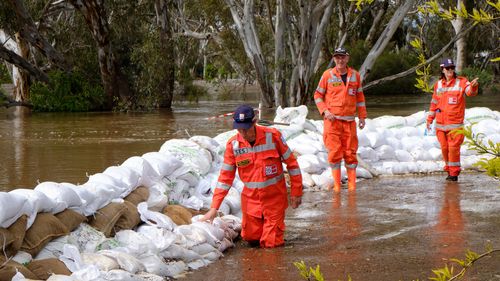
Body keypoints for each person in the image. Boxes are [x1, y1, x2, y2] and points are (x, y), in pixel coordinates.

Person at [200, 104, 303, 248]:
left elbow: (292, 165)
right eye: (239, 129)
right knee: (251, 238)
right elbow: (225, 179)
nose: (243, 133)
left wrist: (296, 192)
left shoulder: (273, 137)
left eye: (246, 129)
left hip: (274, 199)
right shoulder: (233, 145)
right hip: (251, 201)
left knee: (270, 243)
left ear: (254, 122)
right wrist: (213, 209)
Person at [313, 47, 367, 192]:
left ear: (347, 58)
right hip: (332, 123)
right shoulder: (327, 75)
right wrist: (325, 111)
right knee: (335, 153)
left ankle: (352, 187)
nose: (340, 60)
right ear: (334, 59)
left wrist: (362, 116)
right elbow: (317, 95)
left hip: (349, 122)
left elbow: (360, 98)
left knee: (350, 153)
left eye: (342, 57)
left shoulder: (355, 75)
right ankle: (337, 187)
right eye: (337, 57)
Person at [426, 58, 479, 181]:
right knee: (444, 148)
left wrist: (473, 86)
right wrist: (430, 119)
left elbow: (469, 92)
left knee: (453, 149)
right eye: (447, 68)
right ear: (442, 70)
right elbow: (434, 103)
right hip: (440, 125)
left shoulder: (461, 82)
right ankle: (449, 169)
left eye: (452, 68)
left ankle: (453, 174)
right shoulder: (438, 85)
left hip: (455, 126)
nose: (450, 70)